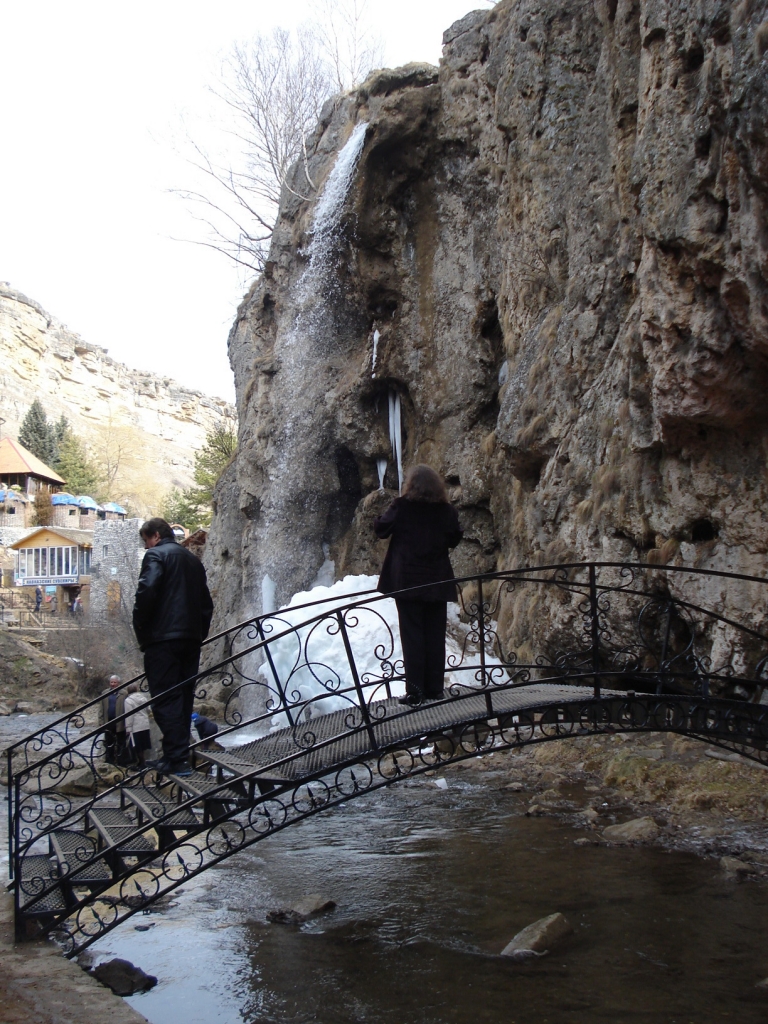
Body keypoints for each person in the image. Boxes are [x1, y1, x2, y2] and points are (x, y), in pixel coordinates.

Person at [374, 465, 463, 707]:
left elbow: (381, 529)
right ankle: (435, 689)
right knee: (435, 636)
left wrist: (379, 516)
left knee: (412, 636)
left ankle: (415, 692)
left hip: (408, 582)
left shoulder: (402, 507)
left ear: (411, 485)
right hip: (437, 580)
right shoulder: (446, 511)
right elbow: (454, 538)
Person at [132, 517, 213, 777]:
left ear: (155, 535)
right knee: (184, 696)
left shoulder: (156, 555)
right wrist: (199, 634)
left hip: (163, 638)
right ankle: (174, 756)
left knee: (165, 697)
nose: (146, 547)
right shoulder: (192, 561)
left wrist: (142, 630)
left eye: (146, 541)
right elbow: (205, 604)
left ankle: (176, 759)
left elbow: (146, 592)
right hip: (190, 638)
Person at [123, 682, 152, 766]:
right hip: (145, 724)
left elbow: (129, 715)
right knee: (143, 745)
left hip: (136, 726)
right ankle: (142, 762)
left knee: (137, 746)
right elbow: (148, 710)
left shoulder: (128, 701)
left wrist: (128, 728)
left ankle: (142, 763)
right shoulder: (143, 698)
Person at [101, 674, 126, 765]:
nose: (113, 684)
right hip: (108, 721)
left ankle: (121, 761)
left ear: (118, 683)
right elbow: (101, 709)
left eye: (115, 682)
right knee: (109, 741)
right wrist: (101, 722)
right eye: (111, 682)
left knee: (121, 742)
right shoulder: (104, 693)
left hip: (120, 722)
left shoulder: (124, 693)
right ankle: (109, 761)